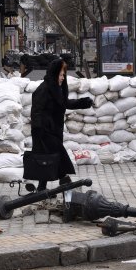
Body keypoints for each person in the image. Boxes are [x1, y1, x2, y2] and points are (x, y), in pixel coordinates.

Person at [30, 58, 93, 190]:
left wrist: (84, 102)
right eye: (60, 75)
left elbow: (65, 103)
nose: (63, 78)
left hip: (53, 130)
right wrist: (40, 130)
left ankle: (42, 188)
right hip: (44, 131)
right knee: (58, 155)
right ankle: (65, 181)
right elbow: (36, 111)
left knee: (47, 159)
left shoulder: (56, 89)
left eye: (63, 75)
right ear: (54, 74)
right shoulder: (44, 89)